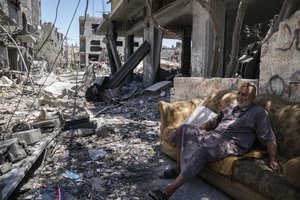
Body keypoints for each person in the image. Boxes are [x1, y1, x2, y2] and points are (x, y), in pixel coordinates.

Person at [149, 82, 281, 200]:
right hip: (213, 135)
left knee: (202, 150)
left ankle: (167, 192)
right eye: (239, 93)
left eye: (244, 95)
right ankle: (179, 167)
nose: (240, 97)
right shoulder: (231, 108)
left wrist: (273, 159)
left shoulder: (258, 113)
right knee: (184, 129)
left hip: (230, 143)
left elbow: (269, 137)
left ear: (252, 98)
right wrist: (196, 132)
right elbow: (212, 122)